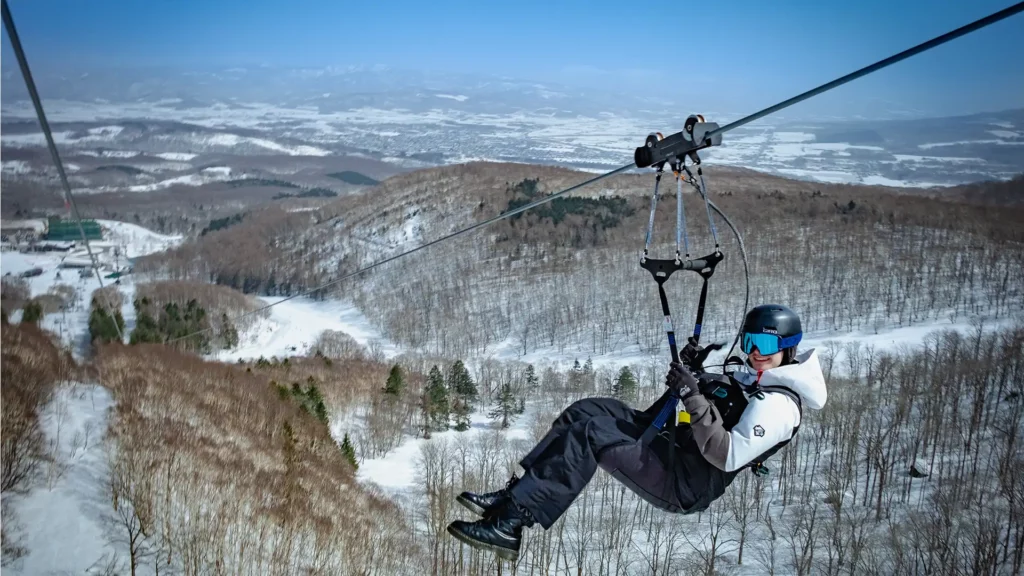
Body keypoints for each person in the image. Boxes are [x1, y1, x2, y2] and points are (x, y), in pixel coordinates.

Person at [446, 304, 827, 561]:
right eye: (750, 343)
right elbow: (708, 399)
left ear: (788, 348)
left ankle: (510, 524)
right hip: (671, 447)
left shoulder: (779, 406)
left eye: (765, 345)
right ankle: (514, 498)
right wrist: (692, 373)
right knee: (587, 410)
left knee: (591, 433)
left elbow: (724, 454)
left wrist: (691, 393)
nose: (755, 353)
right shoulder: (752, 377)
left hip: (683, 481)